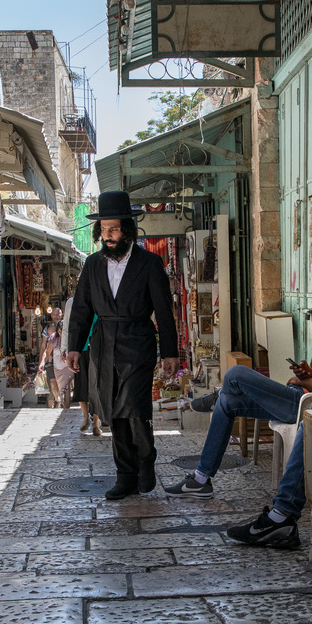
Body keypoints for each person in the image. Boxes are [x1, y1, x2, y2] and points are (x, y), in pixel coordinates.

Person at [165, 284, 312, 551]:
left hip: (306, 404)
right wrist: (307, 373)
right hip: (301, 395)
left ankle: (219, 393)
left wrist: (306, 382)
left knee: (235, 375)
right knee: (228, 403)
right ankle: (200, 479)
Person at [67, 190, 179, 500]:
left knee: (134, 407)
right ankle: (125, 475)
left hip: (138, 342)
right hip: (103, 345)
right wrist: (74, 345)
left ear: (127, 229)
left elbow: (164, 310)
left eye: (114, 229)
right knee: (114, 412)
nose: (108, 236)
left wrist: (171, 351)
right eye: (103, 229)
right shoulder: (91, 265)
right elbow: (81, 310)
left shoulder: (149, 263)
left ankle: (145, 463)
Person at [61, 294, 101, 435]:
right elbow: (66, 326)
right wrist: (64, 348)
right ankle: (89, 419)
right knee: (86, 383)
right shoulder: (73, 302)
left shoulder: (99, 297)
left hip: (92, 347)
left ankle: (92, 419)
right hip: (84, 348)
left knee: (90, 383)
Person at [39, 306, 74, 408]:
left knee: (66, 386)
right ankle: (58, 401)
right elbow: (46, 350)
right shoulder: (53, 337)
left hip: (66, 365)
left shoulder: (70, 337)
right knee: (54, 384)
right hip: (55, 365)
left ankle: (66, 408)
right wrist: (42, 362)